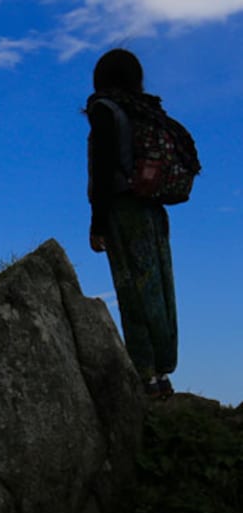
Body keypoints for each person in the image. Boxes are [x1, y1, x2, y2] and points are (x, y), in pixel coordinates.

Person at [85, 48, 179, 399]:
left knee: (132, 291)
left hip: (124, 210)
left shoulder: (104, 110)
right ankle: (163, 372)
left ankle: (146, 375)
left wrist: (97, 222)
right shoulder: (146, 111)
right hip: (154, 210)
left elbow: (104, 165)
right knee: (160, 291)